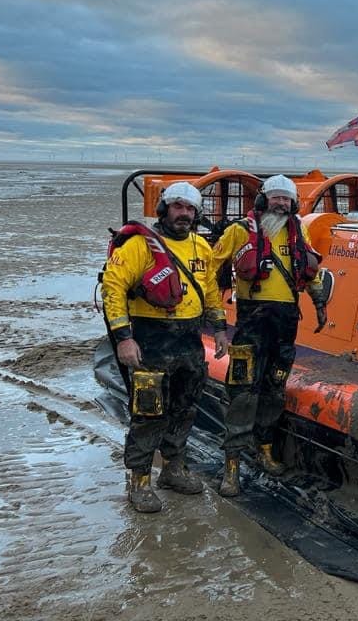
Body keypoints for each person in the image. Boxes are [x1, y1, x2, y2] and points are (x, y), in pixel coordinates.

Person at [101, 181, 228, 514]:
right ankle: (139, 481)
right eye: (177, 207)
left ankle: (173, 469)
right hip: (149, 341)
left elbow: (211, 291)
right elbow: (113, 289)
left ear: (197, 214)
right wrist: (124, 338)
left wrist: (220, 330)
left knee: (185, 409)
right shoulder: (139, 246)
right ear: (164, 209)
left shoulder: (202, 247)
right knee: (148, 413)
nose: (184, 214)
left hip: (189, 342)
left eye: (190, 209)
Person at [210, 174, 328, 497]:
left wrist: (319, 304)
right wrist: (216, 318)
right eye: (275, 197)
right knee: (242, 393)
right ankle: (231, 465)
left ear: (293, 204)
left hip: (285, 325)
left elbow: (309, 272)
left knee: (274, 389)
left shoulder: (298, 231)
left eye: (286, 199)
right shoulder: (239, 232)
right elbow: (209, 268)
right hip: (251, 326)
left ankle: (265, 449)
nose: (280, 203)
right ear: (262, 200)